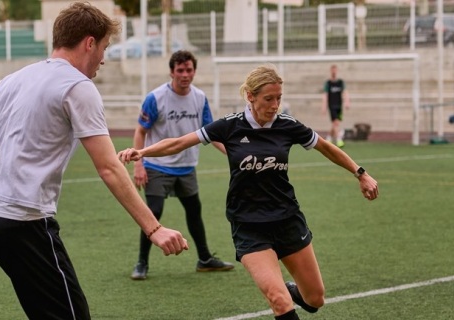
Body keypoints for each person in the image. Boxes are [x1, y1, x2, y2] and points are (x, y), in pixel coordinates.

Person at [0, 2, 188, 319]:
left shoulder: (15, 79)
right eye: (104, 47)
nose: (103, 57)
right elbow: (109, 167)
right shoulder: (78, 86)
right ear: (89, 43)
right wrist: (154, 229)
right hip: (25, 223)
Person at [118, 64, 379, 319]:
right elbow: (179, 142)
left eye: (279, 98)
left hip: (288, 220)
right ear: (250, 96)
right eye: (268, 98)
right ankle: (281, 292)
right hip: (249, 224)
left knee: (315, 299)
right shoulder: (230, 126)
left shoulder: (288, 125)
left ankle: (290, 289)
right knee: (279, 301)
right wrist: (142, 152)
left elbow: (326, 147)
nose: (275, 105)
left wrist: (361, 173)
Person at [129, 50, 233, 280]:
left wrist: (232, 153)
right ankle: (142, 263)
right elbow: (141, 131)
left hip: (187, 167)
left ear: (194, 71)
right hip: (157, 165)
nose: (185, 75)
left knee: (194, 212)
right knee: (152, 213)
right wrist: (139, 165)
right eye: (180, 70)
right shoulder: (155, 98)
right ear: (171, 72)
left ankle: (205, 259)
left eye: (189, 70)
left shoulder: (199, 97)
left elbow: (211, 133)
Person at [321, 64, 350, 148]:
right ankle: (338, 139)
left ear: (337, 71)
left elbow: (345, 92)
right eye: (332, 70)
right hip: (332, 105)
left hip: (339, 106)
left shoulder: (340, 82)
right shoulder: (328, 83)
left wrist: (347, 102)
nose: (334, 71)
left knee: (335, 123)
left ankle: (329, 138)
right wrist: (324, 106)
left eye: (335, 70)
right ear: (330, 71)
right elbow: (325, 95)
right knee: (335, 123)